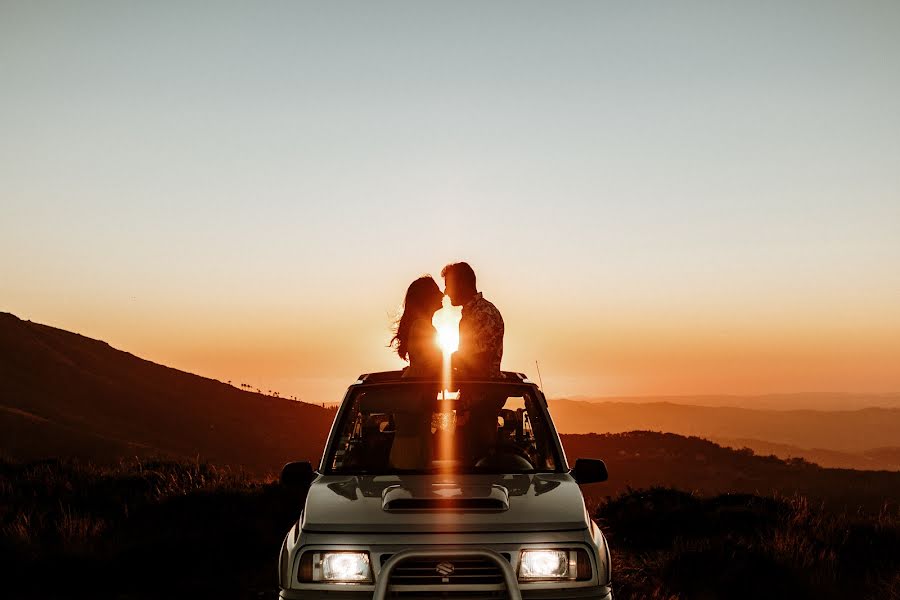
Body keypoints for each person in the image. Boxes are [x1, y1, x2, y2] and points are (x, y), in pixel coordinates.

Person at [441, 262, 504, 378]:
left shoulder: (484, 313)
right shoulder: (473, 313)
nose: (445, 292)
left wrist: (442, 363)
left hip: (484, 392)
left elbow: (479, 361)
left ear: (461, 284)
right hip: (474, 390)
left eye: (448, 285)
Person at [391, 275, 443, 377]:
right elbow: (432, 366)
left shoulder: (421, 325)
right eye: (436, 291)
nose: (442, 295)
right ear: (426, 297)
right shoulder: (422, 326)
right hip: (419, 391)